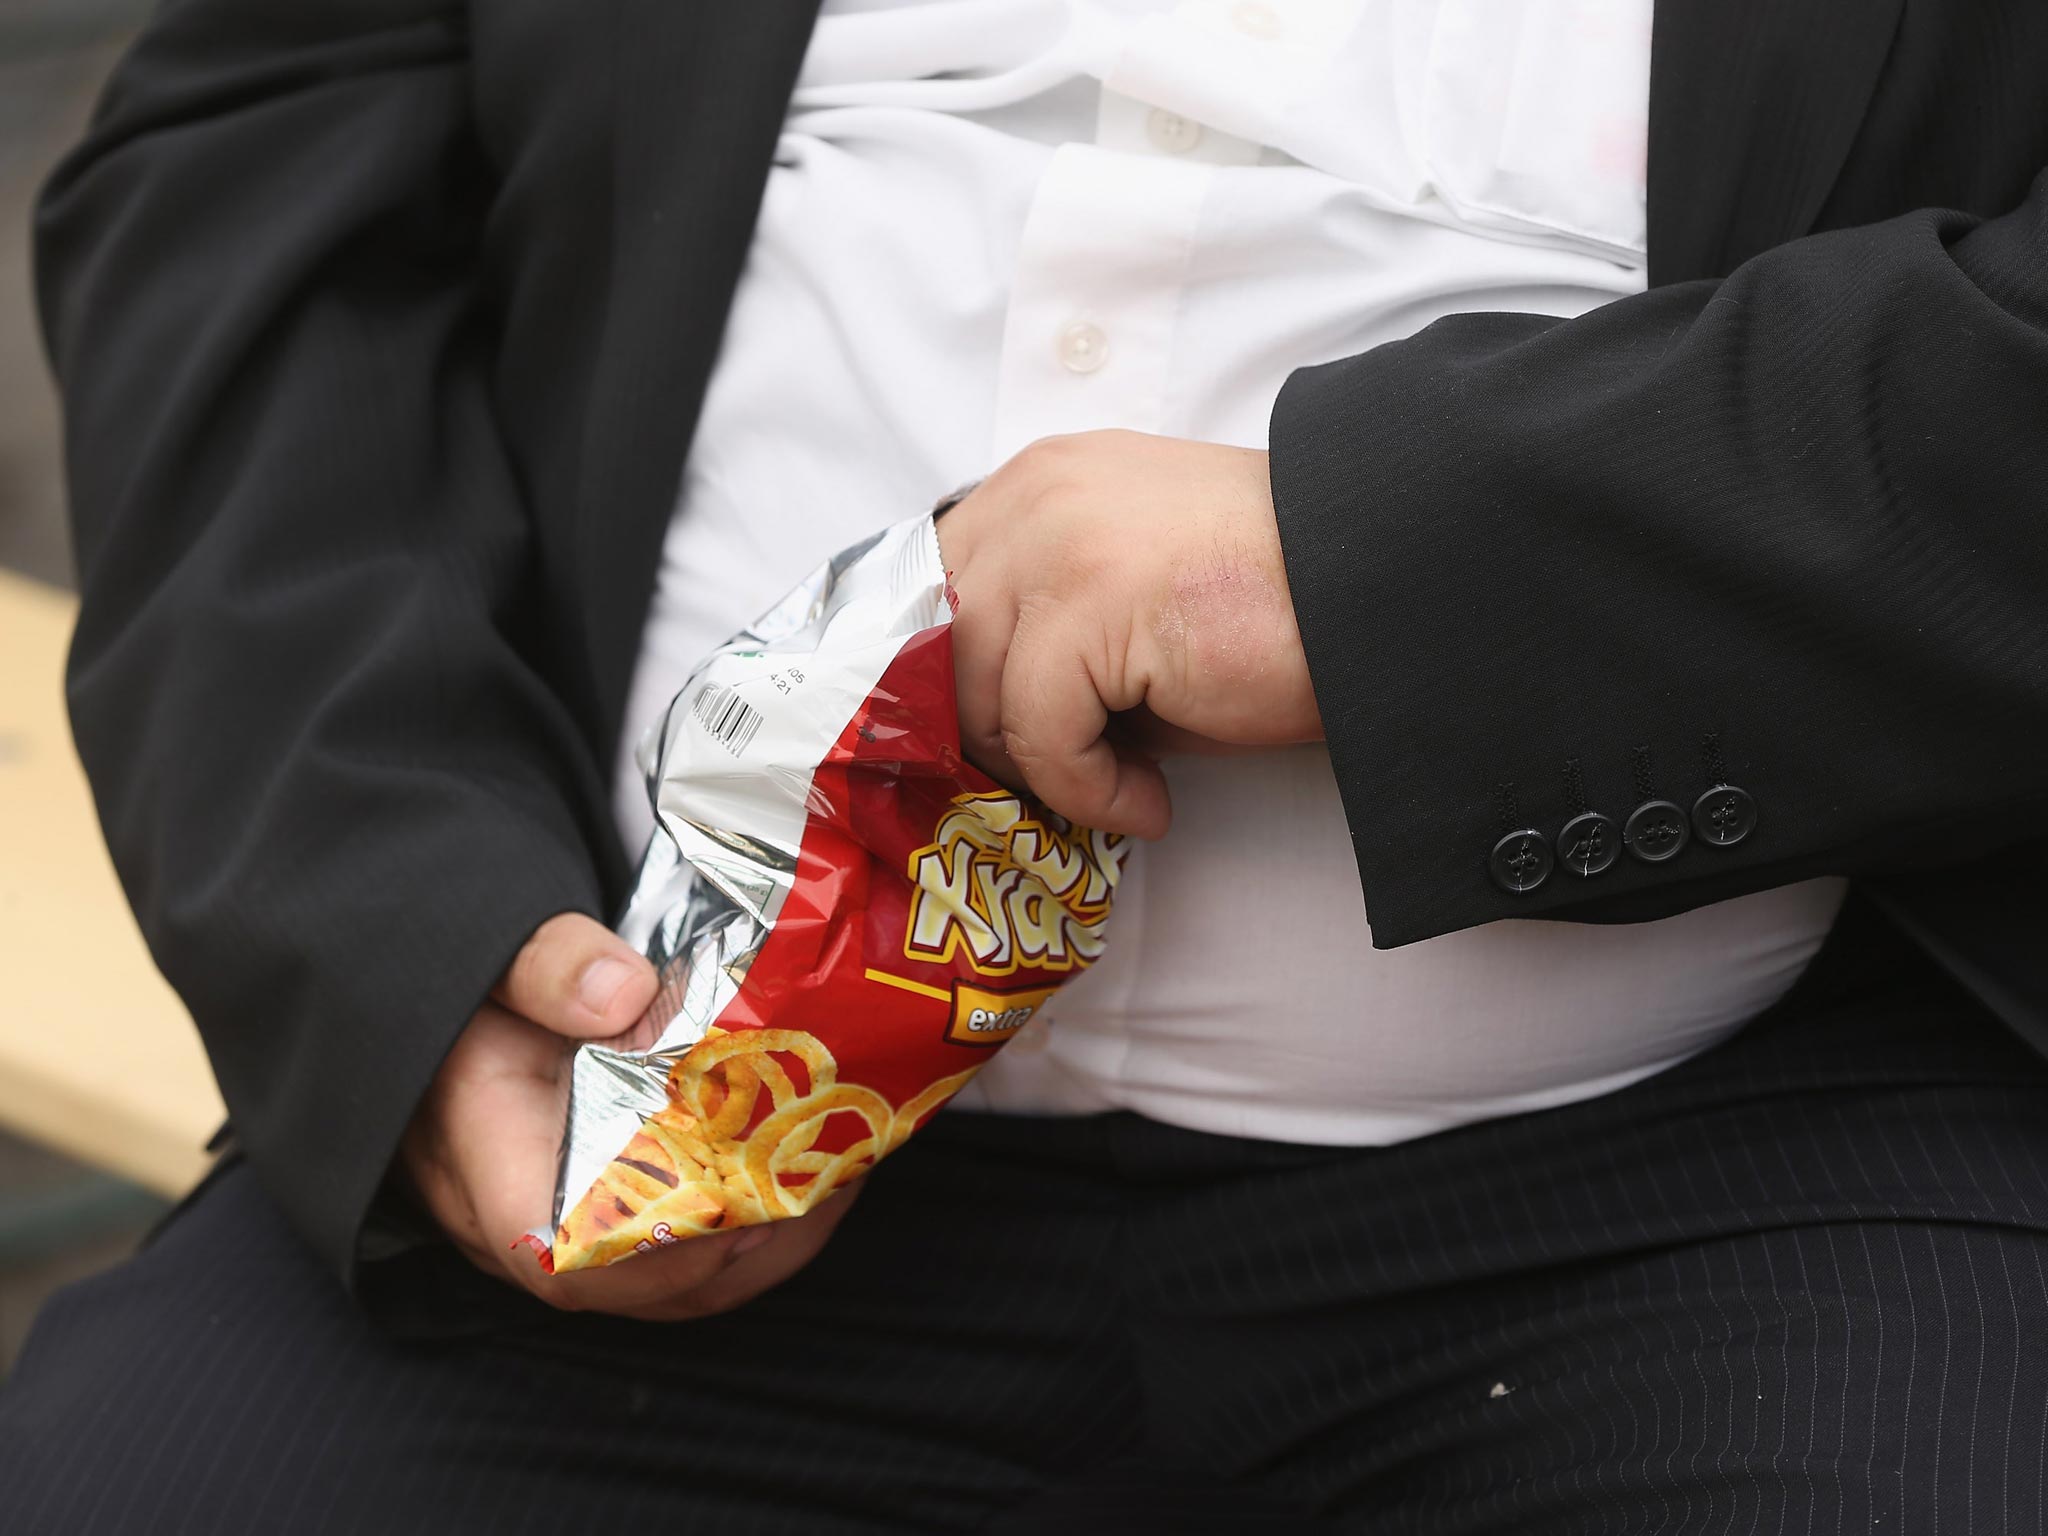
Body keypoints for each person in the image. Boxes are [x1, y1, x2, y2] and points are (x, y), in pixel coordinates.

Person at [6, 1, 2048, 1530]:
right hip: (645, 1079)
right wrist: (397, 938)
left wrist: (1385, 563)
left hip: (1746, 1142)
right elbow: (262, 144)